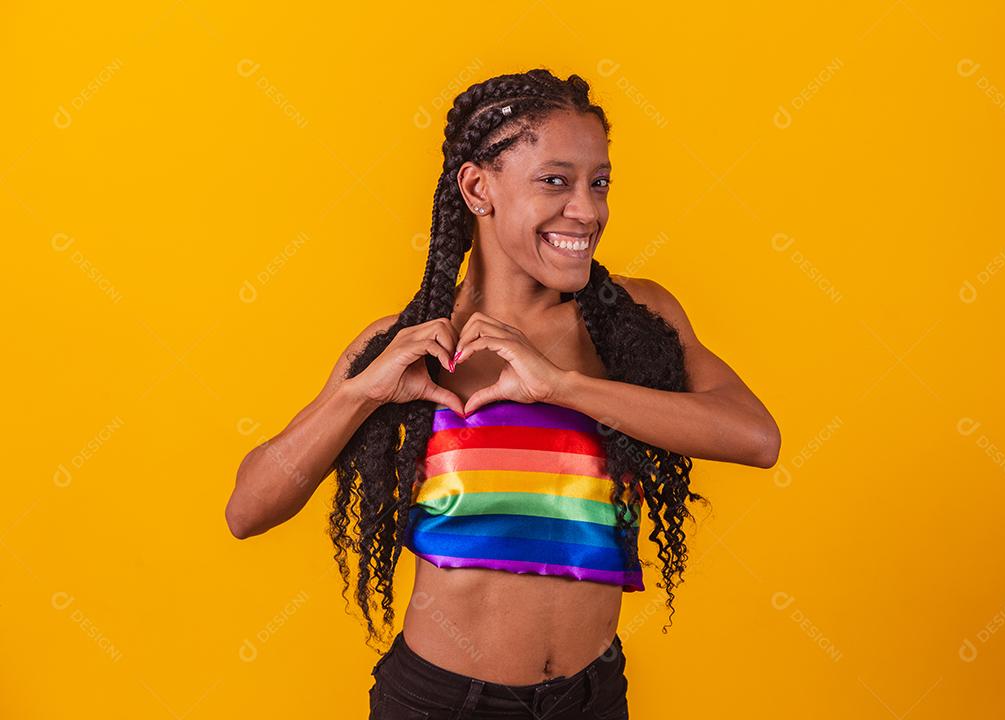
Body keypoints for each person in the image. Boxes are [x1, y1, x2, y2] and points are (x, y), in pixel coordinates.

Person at [226, 68, 781, 719]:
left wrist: (563, 387)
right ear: (478, 187)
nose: (588, 208)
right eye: (556, 180)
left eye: (598, 183)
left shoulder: (635, 321)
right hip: (445, 704)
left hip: (592, 697)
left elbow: (756, 437)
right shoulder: (408, 344)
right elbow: (248, 509)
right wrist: (361, 395)